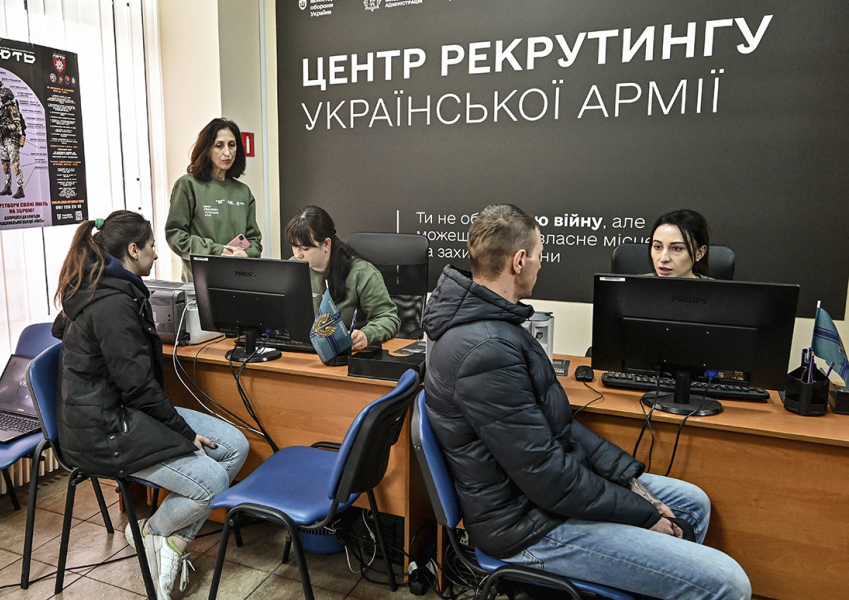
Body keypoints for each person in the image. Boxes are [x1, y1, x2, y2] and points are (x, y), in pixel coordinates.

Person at [422, 204, 751, 599]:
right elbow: (547, 477)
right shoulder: (485, 350)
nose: (541, 265)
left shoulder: (497, 327)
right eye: (540, 256)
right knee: (728, 582)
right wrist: (644, 513)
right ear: (519, 261)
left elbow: (561, 428)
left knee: (692, 503)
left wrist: (627, 478)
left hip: (541, 501)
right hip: (527, 528)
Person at [52, 210, 249, 599]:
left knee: (235, 446)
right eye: (152, 246)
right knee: (212, 481)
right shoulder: (110, 303)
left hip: (124, 412)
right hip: (104, 432)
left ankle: (156, 536)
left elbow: (131, 381)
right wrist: (184, 433)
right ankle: (160, 538)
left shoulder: (106, 286)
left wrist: (179, 430)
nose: (156, 254)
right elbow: (138, 386)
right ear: (132, 249)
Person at [285, 205, 399, 351]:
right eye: (294, 246)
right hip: (304, 349)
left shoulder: (361, 273)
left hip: (347, 351)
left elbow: (388, 318)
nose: (298, 254)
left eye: (305, 248)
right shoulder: (293, 267)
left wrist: (367, 334)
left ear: (326, 244)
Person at [165, 118, 263, 281]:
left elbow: (254, 241)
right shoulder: (188, 185)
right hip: (200, 283)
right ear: (207, 149)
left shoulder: (243, 192)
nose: (227, 153)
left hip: (238, 281)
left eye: (232, 145)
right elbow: (175, 235)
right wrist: (217, 251)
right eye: (219, 146)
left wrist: (245, 253)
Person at [0, 80, 27, 199]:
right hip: (3, 141)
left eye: (3, 95)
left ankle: (20, 188)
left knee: (15, 165)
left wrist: (5, 127)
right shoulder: (2, 109)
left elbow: (18, 126)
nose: (1, 97)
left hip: (12, 140)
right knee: (4, 164)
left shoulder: (12, 108)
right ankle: (7, 187)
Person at [649, 209, 710, 278]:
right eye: (658, 247)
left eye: (677, 248)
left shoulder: (714, 285)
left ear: (699, 253)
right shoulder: (639, 283)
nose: (663, 259)